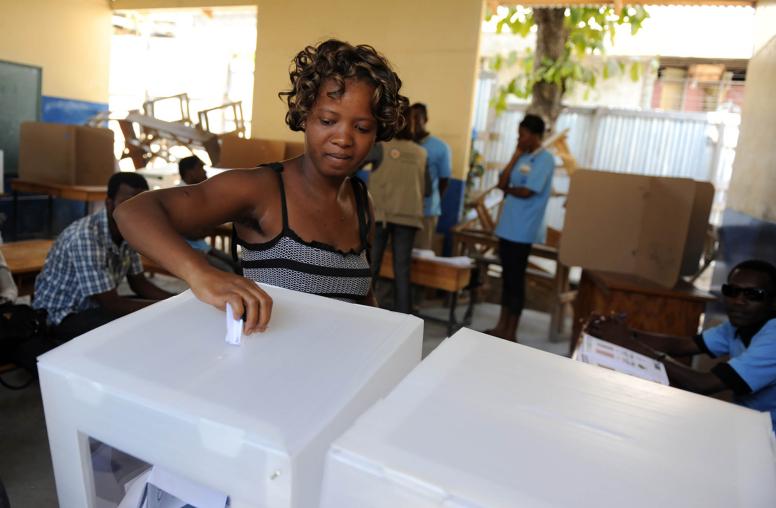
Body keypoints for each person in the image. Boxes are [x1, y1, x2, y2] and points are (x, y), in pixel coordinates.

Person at [115, 39, 408, 334]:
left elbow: (362, 297)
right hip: (265, 372)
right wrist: (201, 274)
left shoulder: (361, 201)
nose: (343, 138)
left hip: (333, 372)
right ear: (305, 115)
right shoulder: (262, 190)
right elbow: (132, 212)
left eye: (361, 128)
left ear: (377, 133)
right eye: (328, 120)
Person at [586, 259, 776, 429]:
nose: (738, 301)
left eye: (753, 295)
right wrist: (620, 332)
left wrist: (628, 343)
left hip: (768, 437)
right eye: (732, 291)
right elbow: (681, 346)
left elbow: (703, 384)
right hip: (744, 420)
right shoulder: (740, 325)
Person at [33, 172, 175, 341]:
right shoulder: (86, 236)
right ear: (109, 203)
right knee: (134, 328)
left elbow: (139, 283)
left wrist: (176, 301)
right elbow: (112, 304)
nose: (137, 212)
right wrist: (169, 308)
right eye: (128, 203)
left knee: (150, 315)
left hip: (95, 307)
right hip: (61, 317)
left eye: (142, 205)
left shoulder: (129, 231)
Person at [485, 114, 555, 342]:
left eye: (523, 135)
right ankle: (501, 326)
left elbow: (528, 191)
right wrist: (515, 155)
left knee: (516, 280)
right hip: (507, 227)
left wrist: (510, 190)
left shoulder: (545, 160)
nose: (519, 138)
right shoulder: (522, 157)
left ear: (535, 135)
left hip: (524, 230)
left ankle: (511, 332)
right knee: (507, 277)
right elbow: (502, 183)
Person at [368, 113, 427, 314]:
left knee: (372, 265)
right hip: (409, 217)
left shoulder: (380, 147)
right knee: (402, 270)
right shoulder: (421, 153)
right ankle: (405, 315)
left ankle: (365, 310)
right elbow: (426, 189)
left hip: (382, 215)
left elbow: (354, 165)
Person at [178, 155, 236, 273]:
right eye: (200, 167)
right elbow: (190, 233)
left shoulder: (195, 192)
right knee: (227, 271)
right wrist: (208, 228)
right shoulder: (180, 195)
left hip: (201, 245)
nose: (204, 171)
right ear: (190, 172)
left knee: (238, 263)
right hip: (188, 250)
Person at [410, 102, 452, 251]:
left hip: (426, 211)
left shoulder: (440, 147)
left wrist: (432, 202)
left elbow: (444, 180)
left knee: (421, 254)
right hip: (402, 211)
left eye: (417, 118)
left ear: (425, 119)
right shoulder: (403, 145)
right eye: (410, 118)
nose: (413, 122)